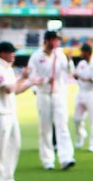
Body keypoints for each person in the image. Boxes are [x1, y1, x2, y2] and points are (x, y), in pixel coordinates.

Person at [0, 41, 38, 181]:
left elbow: (16, 90)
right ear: (3, 53)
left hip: (10, 113)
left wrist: (30, 82)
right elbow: (8, 89)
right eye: (11, 52)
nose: (13, 55)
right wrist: (23, 77)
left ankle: (7, 178)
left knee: (14, 147)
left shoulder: (7, 69)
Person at [28, 30, 76, 170]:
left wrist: (69, 61)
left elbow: (70, 72)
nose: (57, 42)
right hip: (43, 94)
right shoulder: (36, 56)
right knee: (45, 128)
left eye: (58, 40)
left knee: (62, 126)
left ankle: (66, 158)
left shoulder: (60, 55)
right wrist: (45, 80)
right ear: (47, 40)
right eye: (55, 40)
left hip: (59, 94)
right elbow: (31, 77)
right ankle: (47, 160)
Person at [72, 43, 93, 153]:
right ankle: (81, 135)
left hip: (92, 93)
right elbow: (77, 74)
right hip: (81, 92)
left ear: (88, 53)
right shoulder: (81, 64)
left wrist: (91, 79)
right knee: (76, 118)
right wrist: (76, 76)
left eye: (82, 52)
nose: (81, 54)